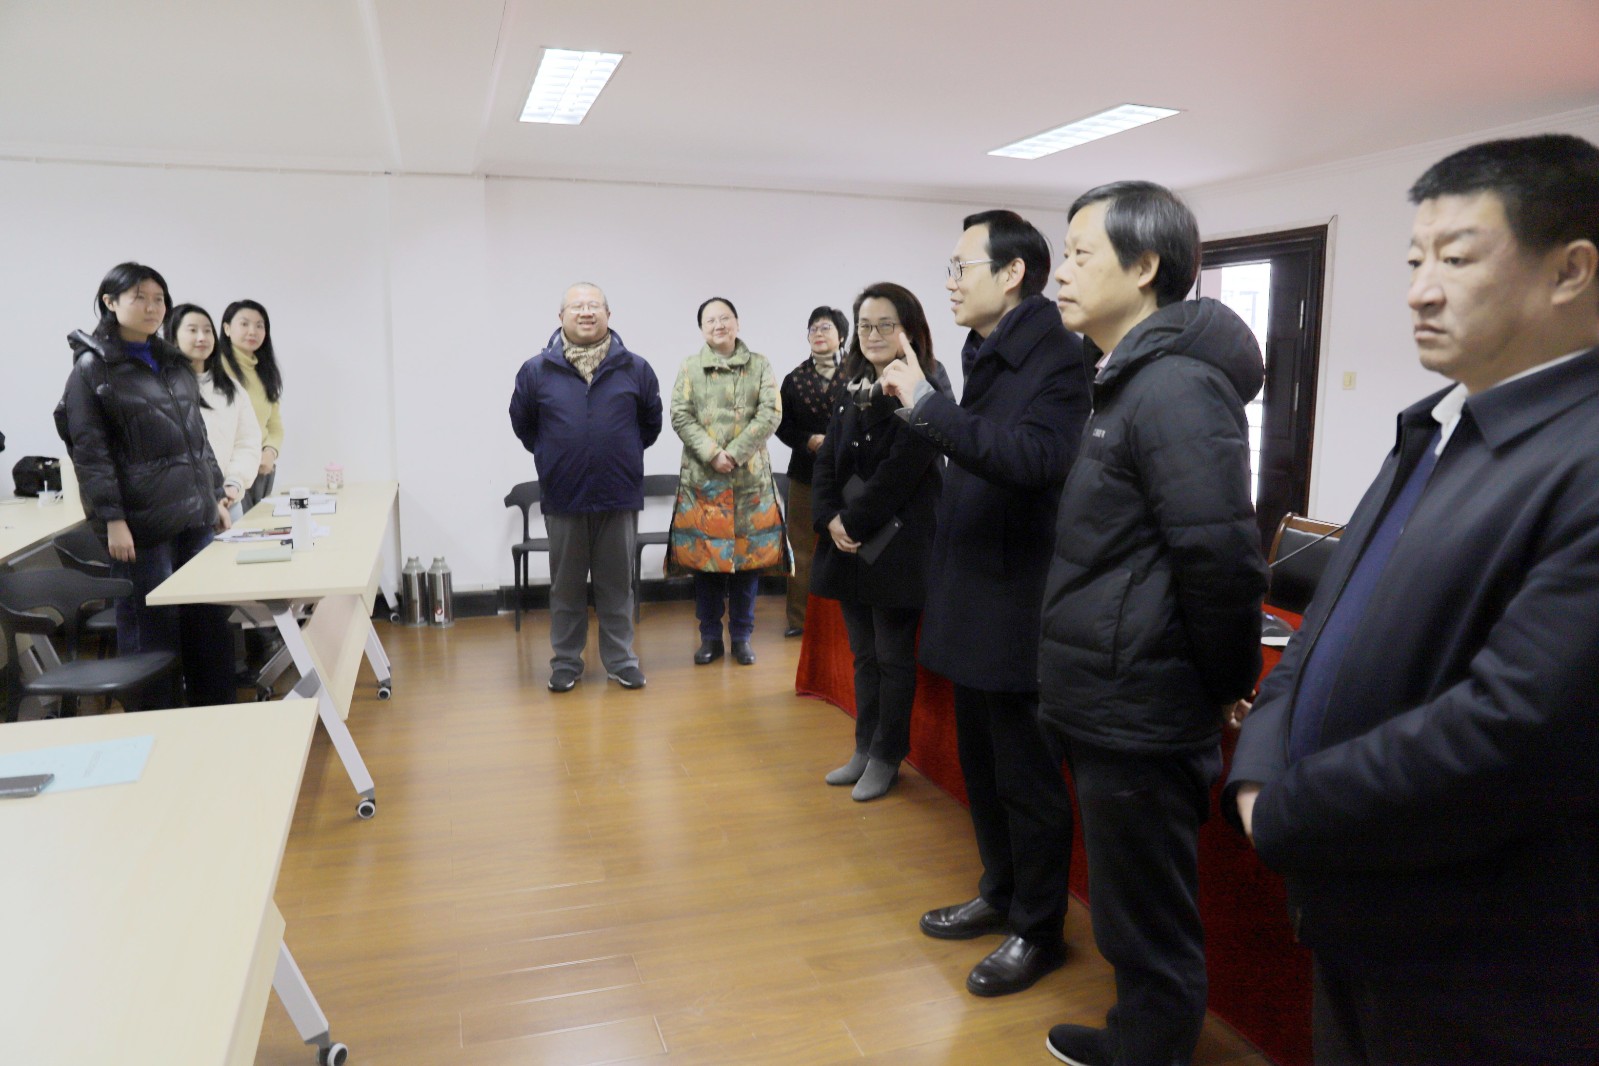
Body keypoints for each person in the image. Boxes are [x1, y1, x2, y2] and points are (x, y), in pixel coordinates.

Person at [1228, 134, 1599, 1066]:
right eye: (1412, 261)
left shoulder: (1579, 456)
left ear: (1570, 270)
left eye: (1456, 259)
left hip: (1484, 959)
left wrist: (1287, 809)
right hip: (1360, 907)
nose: (1419, 291)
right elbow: (1317, 637)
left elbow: (1513, 727)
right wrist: (1256, 769)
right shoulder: (1437, 428)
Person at [1037, 182, 1267, 1066]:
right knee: (1128, 901)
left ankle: (1151, 1051)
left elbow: (1219, 558)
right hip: (1110, 688)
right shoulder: (1127, 379)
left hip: (1143, 698)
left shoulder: (1174, 387)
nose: (1061, 274)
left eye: (1079, 254)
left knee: (1148, 913)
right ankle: (1141, 1039)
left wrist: (1223, 682)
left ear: (1143, 267)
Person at [879, 210, 1089, 997]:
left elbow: (1033, 460)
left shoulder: (1059, 356)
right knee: (982, 766)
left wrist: (927, 406)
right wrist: (929, 404)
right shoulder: (988, 350)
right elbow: (977, 448)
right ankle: (999, 893)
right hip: (973, 588)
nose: (949, 282)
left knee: (1026, 781)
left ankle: (1038, 929)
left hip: (1016, 600)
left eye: (960, 267)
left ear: (1011, 274)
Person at [57, 263, 237, 710]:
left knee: (208, 625)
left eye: (159, 298)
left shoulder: (173, 363)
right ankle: (154, 725)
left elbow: (197, 437)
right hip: (142, 526)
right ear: (110, 302)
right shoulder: (92, 369)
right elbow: (90, 453)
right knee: (151, 633)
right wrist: (112, 519)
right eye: (140, 297)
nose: (153, 307)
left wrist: (214, 495)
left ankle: (216, 718)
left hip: (194, 516)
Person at [811, 284, 946, 801]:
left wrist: (852, 521)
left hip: (898, 547)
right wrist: (830, 519)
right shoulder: (855, 385)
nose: (873, 334)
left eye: (885, 324)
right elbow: (827, 459)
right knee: (864, 655)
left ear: (909, 329)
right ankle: (864, 746)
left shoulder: (925, 387)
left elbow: (902, 471)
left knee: (892, 657)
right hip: (850, 545)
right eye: (865, 325)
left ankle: (889, 755)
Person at [509, 283, 662, 692]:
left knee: (617, 586)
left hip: (618, 493)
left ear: (609, 314)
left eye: (594, 305)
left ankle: (621, 661)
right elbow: (525, 426)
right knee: (566, 588)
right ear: (561, 317)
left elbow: (650, 425)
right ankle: (566, 663)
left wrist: (617, 452)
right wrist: (556, 454)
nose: (586, 312)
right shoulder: (536, 371)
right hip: (564, 494)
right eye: (577, 306)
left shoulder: (636, 368)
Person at [666, 297, 788, 666]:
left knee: (747, 564)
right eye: (710, 320)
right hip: (703, 483)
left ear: (737, 322)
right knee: (705, 565)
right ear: (701, 328)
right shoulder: (690, 367)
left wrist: (733, 453)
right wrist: (712, 453)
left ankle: (741, 637)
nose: (719, 325)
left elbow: (771, 413)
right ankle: (709, 638)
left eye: (725, 318)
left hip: (749, 482)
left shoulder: (760, 365)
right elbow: (679, 415)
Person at [774, 306, 849, 638]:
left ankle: (848, 619)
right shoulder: (795, 379)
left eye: (826, 328)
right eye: (813, 329)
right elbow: (781, 425)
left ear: (842, 336)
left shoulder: (858, 375)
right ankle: (799, 620)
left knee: (847, 543)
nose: (818, 333)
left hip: (850, 476)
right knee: (801, 548)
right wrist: (807, 440)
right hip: (805, 473)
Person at [166, 303, 262, 523]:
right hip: (183, 506)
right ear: (174, 338)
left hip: (230, 500)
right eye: (192, 330)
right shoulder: (164, 388)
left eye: (207, 330)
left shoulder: (231, 389)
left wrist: (234, 483)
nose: (202, 337)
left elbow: (247, 442)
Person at [218, 300, 283, 510]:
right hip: (229, 472)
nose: (252, 331)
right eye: (244, 324)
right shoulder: (217, 367)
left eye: (259, 325)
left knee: (261, 527)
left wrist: (270, 452)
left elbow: (274, 425)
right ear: (227, 328)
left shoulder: (265, 372)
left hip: (262, 469)